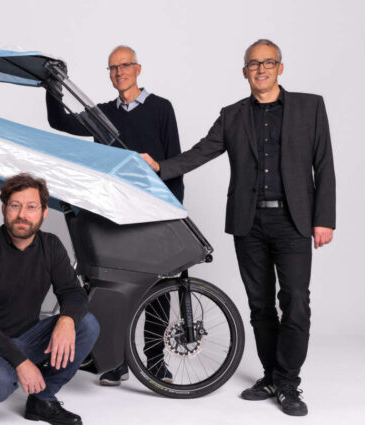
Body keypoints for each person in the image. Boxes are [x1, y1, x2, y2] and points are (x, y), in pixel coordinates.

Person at [140, 39, 335, 416]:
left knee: (296, 302)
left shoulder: (310, 107)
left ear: (280, 67)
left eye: (268, 62)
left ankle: (288, 382)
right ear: (245, 71)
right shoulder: (232, 115)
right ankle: (271, 376)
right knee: (260, 305)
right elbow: (201, 151)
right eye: (253, 64)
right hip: (249, 222)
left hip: (294, 221)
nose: (261, 69)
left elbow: (323, 162)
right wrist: (161, 167)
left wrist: (324, 218)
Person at [45, 45, 180, 386]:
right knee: (115, 287)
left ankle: (155, 361)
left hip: (154, 211)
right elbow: (59, 121)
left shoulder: (161, 108)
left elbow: (174, 161)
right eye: (113, 68)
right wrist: (51, 84)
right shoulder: (103, 113)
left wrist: (175, 212)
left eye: (125, 66)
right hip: (115, 212)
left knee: (157, 287)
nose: (119, 72)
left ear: (138, 69)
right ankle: (116, 361)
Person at [0, 174, 100, 425]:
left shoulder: (51, 246)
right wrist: (22, 363)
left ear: (43, 212)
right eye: (15, 206)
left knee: (87, 324)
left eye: (31, 207)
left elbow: (73, 292)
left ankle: (42, 399)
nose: (22, 214)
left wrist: (66, 320)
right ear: (4, 209)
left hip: (26, 337)